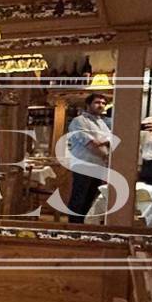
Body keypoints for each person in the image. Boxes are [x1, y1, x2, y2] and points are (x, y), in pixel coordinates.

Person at [62, 91, 115, 222]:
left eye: (103, 103)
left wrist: (102, 142)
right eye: (97, 102)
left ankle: (83, 226)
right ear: (88, 104)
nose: (101, 105)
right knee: (79, 198)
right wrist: (105, 145)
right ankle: (73, 227)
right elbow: (91, 144)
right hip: (83, 164)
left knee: (91, 198)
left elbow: (112, 140)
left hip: (99, 165)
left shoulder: (102, 123)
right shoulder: (79, 121)